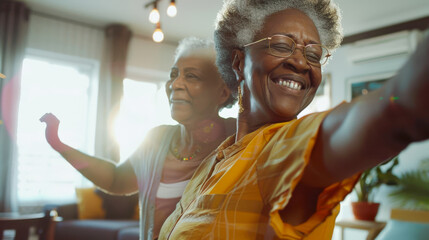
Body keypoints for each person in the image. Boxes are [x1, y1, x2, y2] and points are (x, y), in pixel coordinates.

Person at [159, 0, 429, 239]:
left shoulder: (285, 149)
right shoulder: (215, 160)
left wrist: (400, 101)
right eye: (280, 45)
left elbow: (394, 111)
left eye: (313, 54)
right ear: (239, 63)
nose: (301, 63)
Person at [40, 37, 236, 240]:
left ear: (222, 92)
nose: (175, 84)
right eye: (173, 74)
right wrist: (58, 144)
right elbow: (116, 179)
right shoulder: (157, 139)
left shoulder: (239, 136)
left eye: (192, 76)